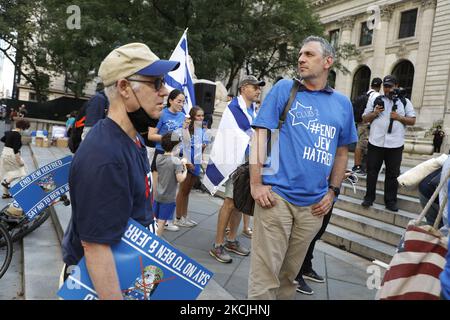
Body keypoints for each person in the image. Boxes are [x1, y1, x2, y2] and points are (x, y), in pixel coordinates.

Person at [61, 42, 179, 300]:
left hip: (128, 272)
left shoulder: (132, 139)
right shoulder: (105, 156)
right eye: (156, 83)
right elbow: (96, 248)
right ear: (124, 87)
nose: (166, 92)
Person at [248, 36, 357, 300]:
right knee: (265, 278)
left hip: (314, 207)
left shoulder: (342, 104)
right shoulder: (285, 88)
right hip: (276, 198)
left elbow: (342, 152)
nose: (301, 59)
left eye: (309, 54)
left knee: (289, 277)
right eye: (300, 54)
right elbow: (260, 134)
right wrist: (256, 183)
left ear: (328, 61)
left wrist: (332, 192)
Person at [209, 75, 265, 264]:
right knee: (230, 202)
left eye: (259, 88)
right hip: (235, 163)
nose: (258, 90)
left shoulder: (253, 109)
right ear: (243, 88)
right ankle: (218, 244)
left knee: (240, 202)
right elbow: (246, 132)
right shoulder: (234, 107)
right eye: (255, 86)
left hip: (248, 162)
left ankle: (232, 240)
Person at [361, 75, 416, 212]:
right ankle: (369, 198)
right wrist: (374, 113)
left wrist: (399, 117)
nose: (388, 89)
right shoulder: (375, 99)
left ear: (396, 86)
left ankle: (390, 201)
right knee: (372, 172)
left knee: (392, 174)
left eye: (391, 86)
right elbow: (364, 118)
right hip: (376, 142)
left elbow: (412, 120)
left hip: (395, 144)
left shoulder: (405, 101)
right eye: (385, 86)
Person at [148, 89, 187, 232]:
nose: (181, 104)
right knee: (157, 190)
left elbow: (183, 137)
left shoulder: (183, 116)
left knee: (172, 190)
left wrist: (185, 131)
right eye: (179, 101)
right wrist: (169, 139)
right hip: (161, 154)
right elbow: (151, 135)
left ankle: (166, 220)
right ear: (170, 100)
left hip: (176, 155)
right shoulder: (162, 114)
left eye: (183, 101)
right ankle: (152, 220)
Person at [175, 106, 209, 227]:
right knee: (183, 190)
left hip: (197, 162)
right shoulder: (186, 129)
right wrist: (188, 163)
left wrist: (204, 146)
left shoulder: (202, 130)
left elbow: (203, 146)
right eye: (198, 115)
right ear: (193, 116)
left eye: (202, 115)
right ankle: (178, 217)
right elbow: (183, 147)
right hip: (187, 162)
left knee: (187, 191)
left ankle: (185, 216)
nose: (201, 118)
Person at [154, 132, 188, 237]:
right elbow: (180, 179)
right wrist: (185, 167)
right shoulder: (176, 161)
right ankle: (156, 240)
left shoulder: (158, 157)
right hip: (168, 197)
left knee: (155, 220)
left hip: (157, 194)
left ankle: (152, 237)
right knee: (162, 222)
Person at [352, 77, 382, 176]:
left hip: (360, 122)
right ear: (380, 86)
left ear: (371, 85)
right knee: (363, 144)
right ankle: (359, 166)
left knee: (360, 143)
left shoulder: (365, 95)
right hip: (368, 123)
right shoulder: (377, 96)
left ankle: (357, 165)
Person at [0, 119, 31, 202]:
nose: (25, 130)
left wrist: (9, 141)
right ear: (22, 127)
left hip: (4, 154)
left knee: (7, 173)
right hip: (11, 155)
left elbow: (2, 139)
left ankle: (5, 194)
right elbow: (16, 150)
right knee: (22, 170)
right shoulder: (17, 135)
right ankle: (6, 182)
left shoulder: (9, 132)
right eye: (25, 128)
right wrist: (19, 161)